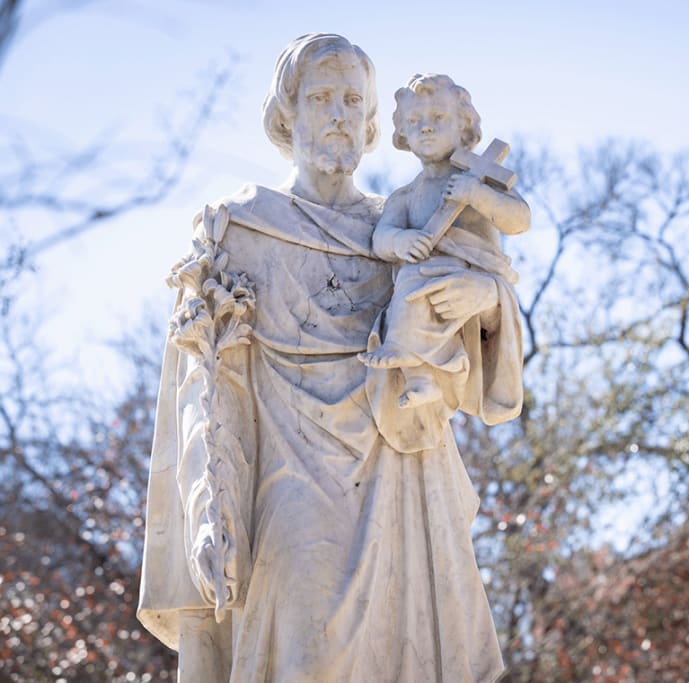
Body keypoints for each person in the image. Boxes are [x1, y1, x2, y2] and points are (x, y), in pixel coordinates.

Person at [137, 33, 523, 682]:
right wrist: (210, 506)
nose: (339, 113)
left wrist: (485, 295)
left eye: (352, 99)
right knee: (305, 651)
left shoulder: (396, 229)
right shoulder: (241, 226)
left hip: (400, 477)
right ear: (286, 115)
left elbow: (467, 332)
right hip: (287, 479)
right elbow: (206, 383)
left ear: (374, 119)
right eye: (320, 97)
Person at [359, 73, 529, 411]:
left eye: (438, 118)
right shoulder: (405, 196)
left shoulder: (483, 178)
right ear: (402, 133)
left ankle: (444, 375)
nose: (425, 127)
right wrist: (400, 240)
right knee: (410, 292)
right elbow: (381, 238)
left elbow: (519, 219)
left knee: (422, 295)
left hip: (474, 273)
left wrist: (478, 195)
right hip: (424, 274)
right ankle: (420, 378)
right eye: (414, 120)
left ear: (464, 126)